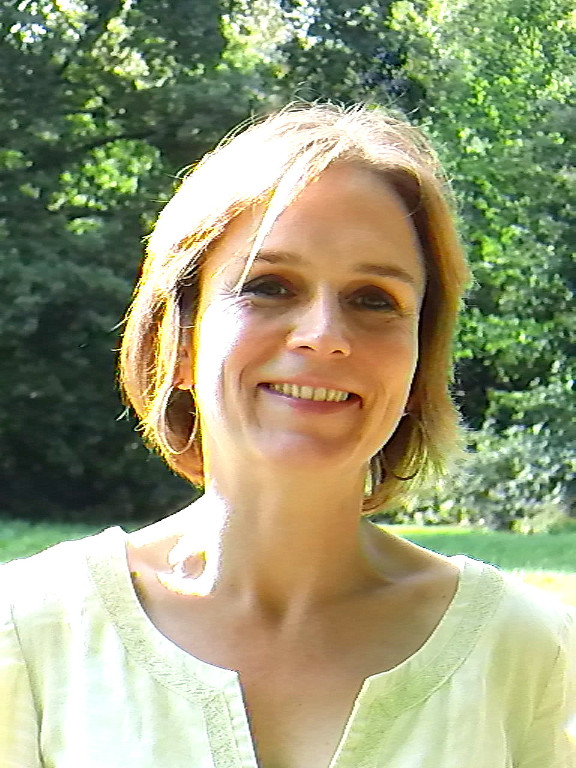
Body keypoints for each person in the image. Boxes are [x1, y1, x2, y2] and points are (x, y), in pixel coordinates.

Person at [1, 103, 574, 768]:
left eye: (374, 299)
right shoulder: (30, 636)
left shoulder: (527, 654)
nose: (324, 336)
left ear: (420, 360)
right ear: (177, 340)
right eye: (269, 286)